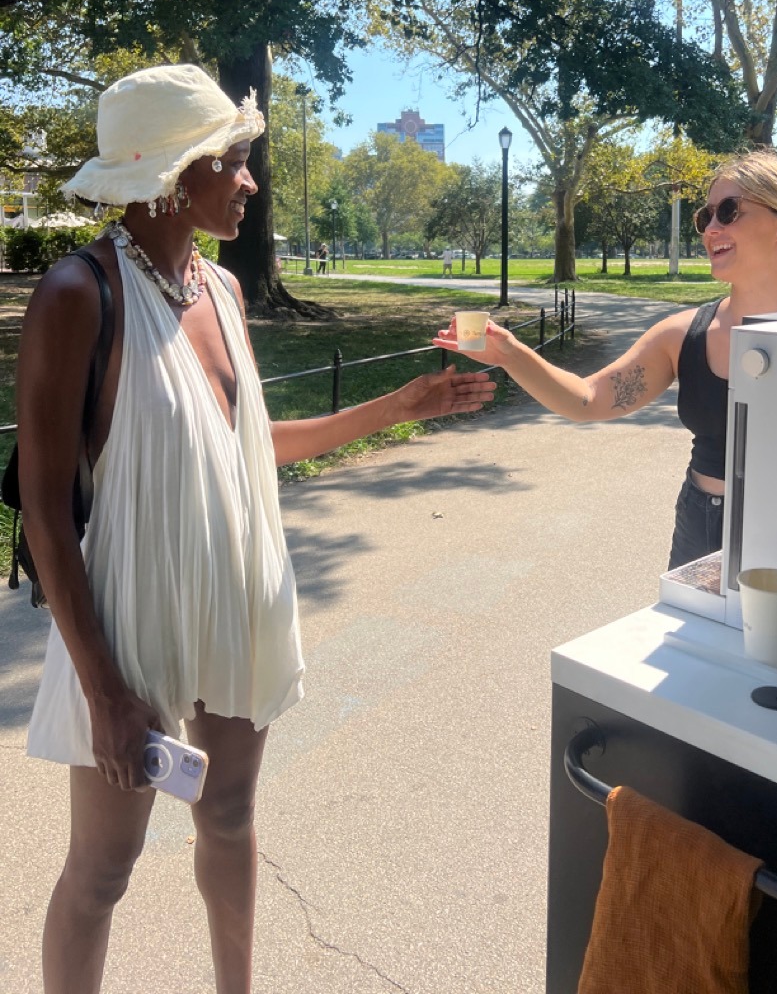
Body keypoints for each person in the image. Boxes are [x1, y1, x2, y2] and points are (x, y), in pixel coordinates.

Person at [17, 63, 494, 994]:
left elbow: (243, 445)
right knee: (102, 871)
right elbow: (41, 510)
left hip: (237, 587)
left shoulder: (222, 289)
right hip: (130, 612)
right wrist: (104, 688)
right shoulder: (80, 293)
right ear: (171, 172)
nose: (250, 181)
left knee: (228, 816)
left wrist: (401, 405)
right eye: (233, 161)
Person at [434, 149, 777, 570]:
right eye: (706, 216)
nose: (711, 228)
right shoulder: (681, 336)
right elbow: (588, 399)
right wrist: (511, 355)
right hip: (701, 525)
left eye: (729, 211)